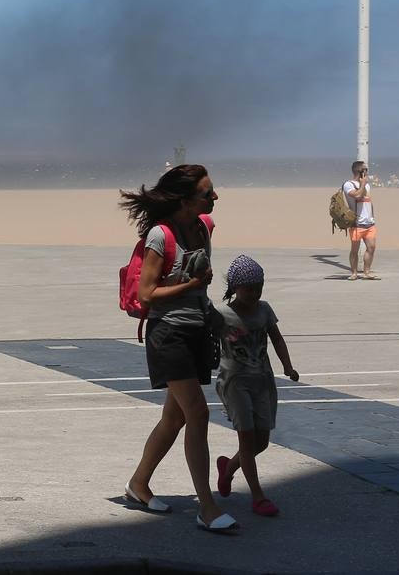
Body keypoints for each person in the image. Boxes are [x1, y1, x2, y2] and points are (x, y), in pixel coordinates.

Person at [119, 165, 236, 533]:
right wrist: (193, 284)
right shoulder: (160, 235)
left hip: (197, 330)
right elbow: (147, 294)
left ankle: (138, 484)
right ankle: (207, 506)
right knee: (198, 413)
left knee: (176, 417)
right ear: (185, 200)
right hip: (167, 334)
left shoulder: (202, 228)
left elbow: (199, 284)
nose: (214, 198)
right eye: (207, 193)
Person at [211, 255, 299, 517]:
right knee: (247, 438)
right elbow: (207, 341)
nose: (254, 293)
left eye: (258, 287)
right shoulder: (222, 314)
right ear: (235, 288)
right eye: (248, 288)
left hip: (263, 381)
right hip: (235, 383)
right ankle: (258, 496)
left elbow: (277, 339)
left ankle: (228, 469)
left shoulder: (264, 309)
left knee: (262, 441)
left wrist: (287, 366)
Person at [343, 161, 379, 280]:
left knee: (371, 247)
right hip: (357, 223)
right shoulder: (348, 184)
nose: (367, 172)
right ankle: (354, 273)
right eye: (365, 169)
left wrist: (372, 216)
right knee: (355, 249)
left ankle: (366, 272)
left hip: (369, 223)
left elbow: (369, 201)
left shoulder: (367, 186)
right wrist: (363, 184)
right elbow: (357, 195)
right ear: (360, 171)